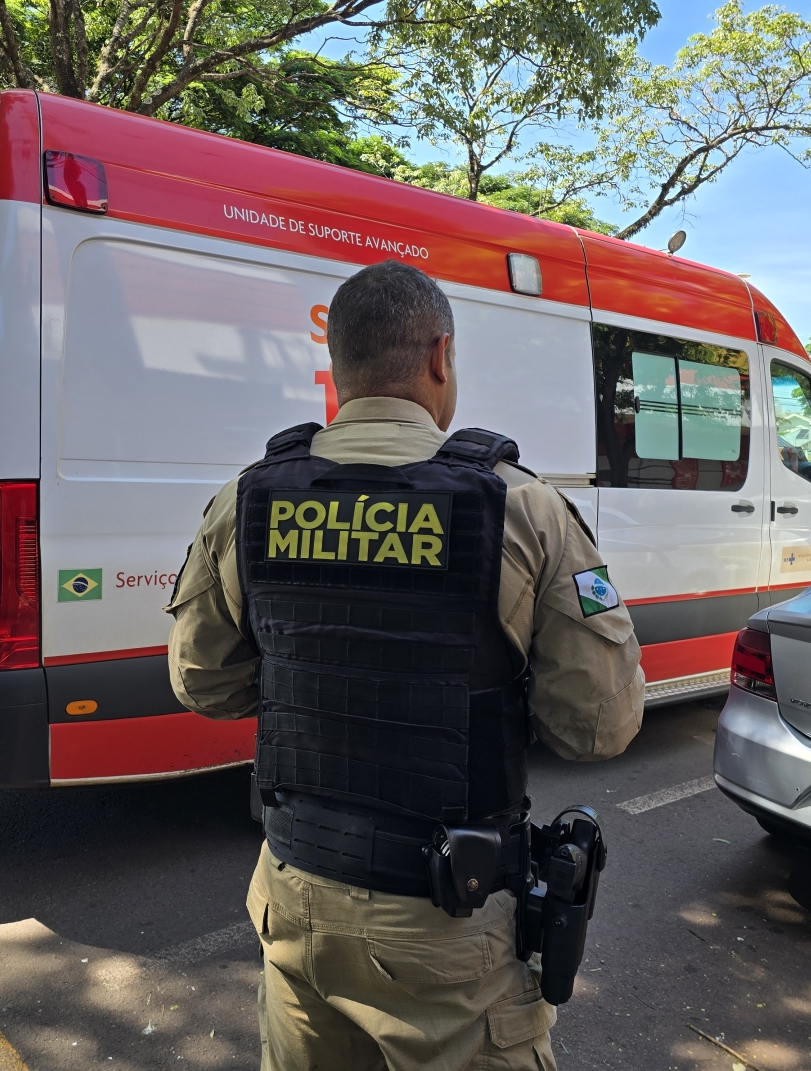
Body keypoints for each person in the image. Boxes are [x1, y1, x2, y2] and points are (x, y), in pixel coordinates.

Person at [166, 260, 643, 1071]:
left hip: (294, 894)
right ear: (440, 359)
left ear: (338, 368)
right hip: (443, 925)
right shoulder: (520, 506)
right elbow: (598, 727)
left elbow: (203, 684)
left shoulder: (247, 498)